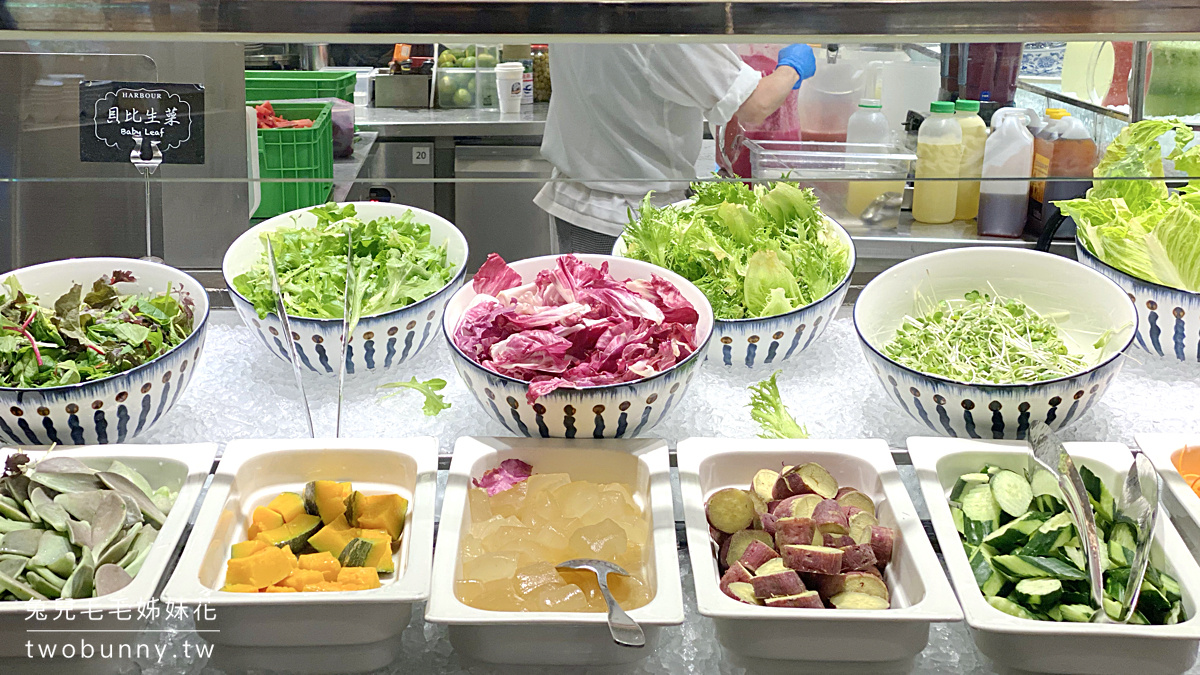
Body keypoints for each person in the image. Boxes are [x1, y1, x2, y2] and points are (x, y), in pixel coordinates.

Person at [534, 43, 817, 254]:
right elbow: (755, 104)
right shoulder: (660, 17)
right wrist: (792, 67)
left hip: (579, 199)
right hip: (628, 219)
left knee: (597, 325)